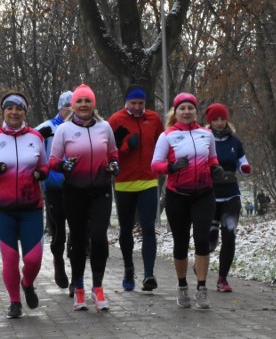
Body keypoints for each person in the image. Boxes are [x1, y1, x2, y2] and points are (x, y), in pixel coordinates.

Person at [0, 92, 49, 319]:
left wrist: (39, 174)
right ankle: (14, 302)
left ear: (25, 112)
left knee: (33, 259)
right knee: (10, 258)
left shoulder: (36, 137)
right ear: (3, 111)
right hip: (2, 208)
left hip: (31, 207)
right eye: (9, 108)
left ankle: (27, 283)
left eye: (19, 109)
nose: (14, 112)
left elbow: (45, 166)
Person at [49, 83, 119, 312]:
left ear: (93, 104)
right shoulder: (64, 130)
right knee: (78, 239)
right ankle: (78, 286)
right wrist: (63, 165)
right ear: (73, 106)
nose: (83, 105)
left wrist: (113, 166)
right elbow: (52, 162)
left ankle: (97, 287)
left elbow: (112, 154)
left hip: (100, 190)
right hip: (74, 190)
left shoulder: (105, 127)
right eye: (79, 101)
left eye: (87, 101)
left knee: (99, 238)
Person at [151, 93, 222, 309]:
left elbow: (212, 158)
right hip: (177, 195)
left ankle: (201, 288)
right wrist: (171, 167)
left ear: (196, 111)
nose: (187, 111)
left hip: (203, 194)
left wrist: (215, 168)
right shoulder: (167, 136)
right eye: (182, 108)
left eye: (190, 107)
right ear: (176, 112)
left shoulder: (206, 134)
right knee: (180, 243)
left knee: (202, 240)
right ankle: (182, 286)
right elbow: (155, 165)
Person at [108, 85, 164, 292]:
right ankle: (128, 269)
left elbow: (162, 143)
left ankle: (149, 274)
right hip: (124, 182)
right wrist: (125, 147)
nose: (138, 107)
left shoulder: (154, 119)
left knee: (149, 227)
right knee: (126, 229)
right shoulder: (115, 121)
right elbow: (109, 152)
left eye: (141, 103)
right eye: (133, 103)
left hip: (149, 180)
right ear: (126, 102)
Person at [205, 103, 251, 292]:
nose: (218, 123)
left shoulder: (235, 142)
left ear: (226, 120)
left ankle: (222, 279)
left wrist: (245, 168)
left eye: (222, 119)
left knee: (229, 236)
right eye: (215, 119)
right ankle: (202, 261)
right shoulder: (205, 140)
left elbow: (242, 162)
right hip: (209, 195)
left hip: (231, 195)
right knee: (209, 239)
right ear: (209, 122)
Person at [34, 91, 73, 289]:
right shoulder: (48, 126)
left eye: (74, 106)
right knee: (59, 230)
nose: (71, 110)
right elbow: (28, 143)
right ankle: (58, 262)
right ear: (61, 108)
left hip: (77, 185)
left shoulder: (80, 126)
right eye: (68, 106)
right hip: (54, 186)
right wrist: (40, 137)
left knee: (77, 231)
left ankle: (77, 275)